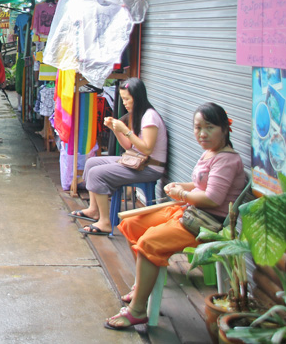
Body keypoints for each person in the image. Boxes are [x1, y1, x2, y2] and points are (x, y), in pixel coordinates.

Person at [104, 102, 246, 330]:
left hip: (205, 224)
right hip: (190, 212)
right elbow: (203, 184)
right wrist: (183, 185)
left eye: (209, 127)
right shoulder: (211, 153)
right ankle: (142, 284)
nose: (202, 133)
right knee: (132, 224)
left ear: (224, 129)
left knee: (149, 242)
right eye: (198, 127)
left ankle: (138, 311)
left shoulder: (228, 160)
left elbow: (213, 199)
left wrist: (182, 193)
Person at [71, 78, 168, 235]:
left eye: (127, 99)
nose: (124, 103)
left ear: (138, 97)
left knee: (97, 173)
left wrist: (126, 130)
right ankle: (93, 210)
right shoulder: (137, 115)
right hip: (136, 161)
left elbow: (148, 149)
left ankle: (105, 222)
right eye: (123, 99)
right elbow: (129, 146)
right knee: (92, 163)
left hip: (149, 167)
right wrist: (115, 129)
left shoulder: (150, 117)